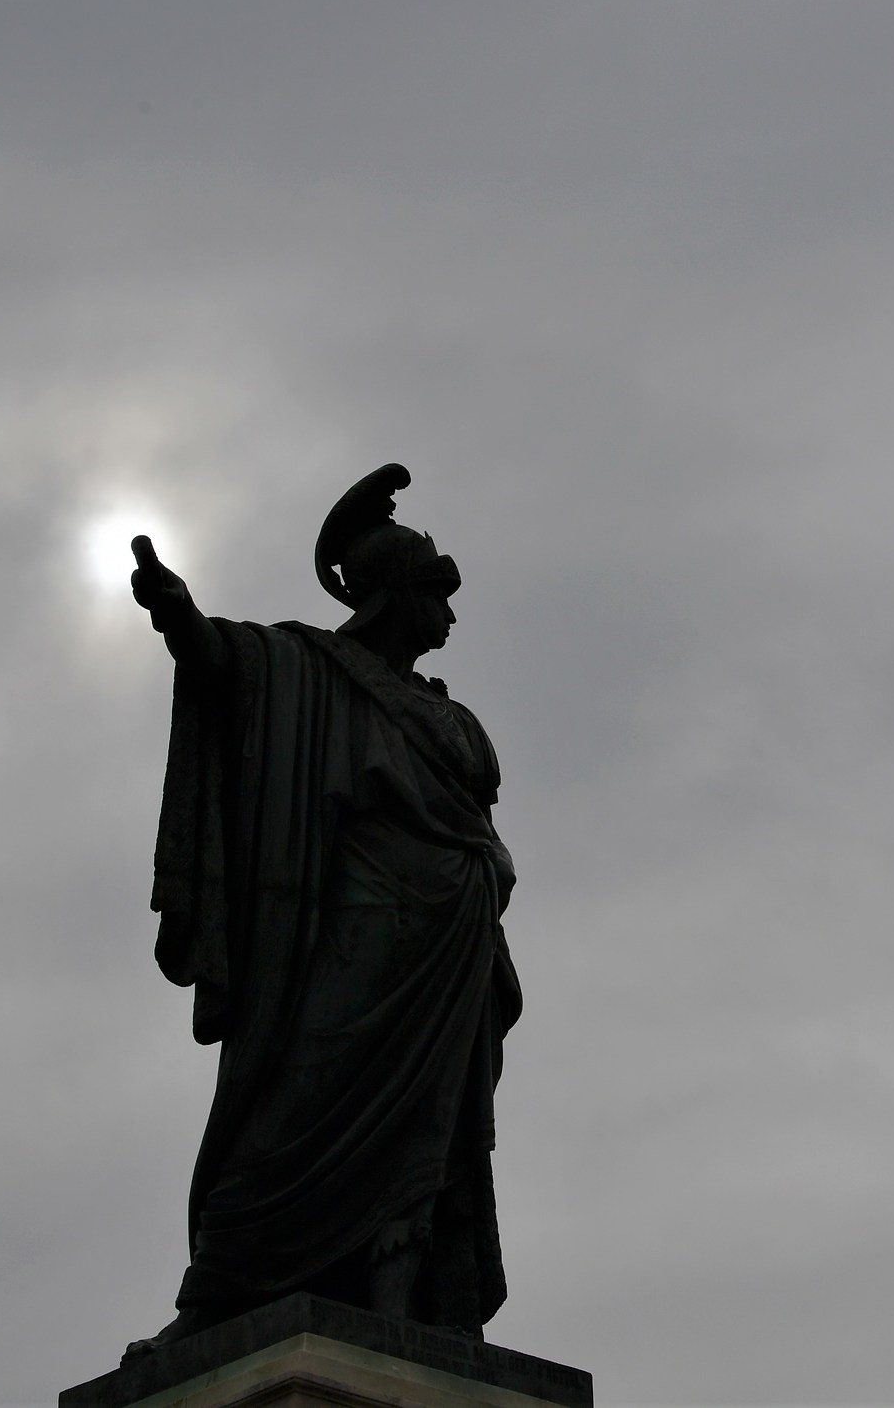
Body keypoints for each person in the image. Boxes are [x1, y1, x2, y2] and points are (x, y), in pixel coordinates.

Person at [121, 465, 521, 1359]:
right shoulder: (311, 666)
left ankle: (404, 1299)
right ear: (391, 597)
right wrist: (181, 617)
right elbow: (232, 662)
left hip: (451, 943)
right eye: (436, 595)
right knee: (293, 1097)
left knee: (434, 1120)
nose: (450, 617)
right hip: (355, 935)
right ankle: (217, 1294)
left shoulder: (450, 715)